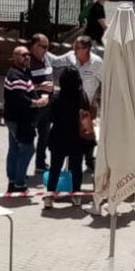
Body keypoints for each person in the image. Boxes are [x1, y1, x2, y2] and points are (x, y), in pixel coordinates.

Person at [50, 36, 103, 172]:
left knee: (87, 133)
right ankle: (69, 163)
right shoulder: (70, 57)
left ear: (87, 49)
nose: (75, 50)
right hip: (70, 104)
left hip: (87, 104)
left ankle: (89, 159)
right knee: (70, 133)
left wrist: (99, 100)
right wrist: (43, 51)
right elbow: (55, 61)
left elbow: (105, 81)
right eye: (74, 46)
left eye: (78, 48)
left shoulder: (97, 63)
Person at [3, 45, 51, 193]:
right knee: (28, 149)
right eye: (23, 55)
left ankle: (13, 181)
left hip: (14, 119)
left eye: (28, 55)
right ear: (15, 57)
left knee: (15, 149)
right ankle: (19, 183)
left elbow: (23, 90)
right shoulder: (16, 76)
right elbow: (22, 100)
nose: (27, 57)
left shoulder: (19, 73)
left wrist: (38, 88)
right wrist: (39, 102)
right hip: (20, 121)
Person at [43, 66, 90, 210]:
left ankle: (49, 197)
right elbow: (87, 115)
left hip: (59, 136)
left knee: (55, 168)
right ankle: (76, 196)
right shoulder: (82, 97)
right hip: (77, 138)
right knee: (76, 168)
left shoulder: (57, 97)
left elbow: (51, 117)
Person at [28, 33, 55, 173]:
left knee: (44, 136)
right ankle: (20, 171)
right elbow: (21, 85)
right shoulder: (27, 62)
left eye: (47, 46)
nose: (46, 49)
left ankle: (40, 164)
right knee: (27, 138)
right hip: (33, 106)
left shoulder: (46, 58)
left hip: (47, 105)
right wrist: (40, 87)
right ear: (33, 46)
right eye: (43, 46)